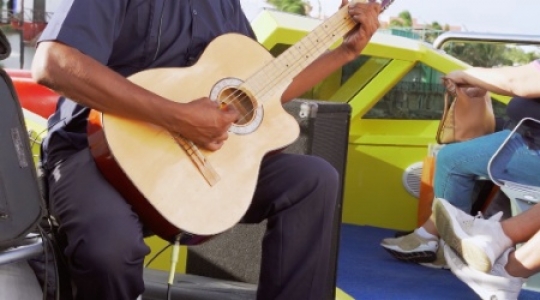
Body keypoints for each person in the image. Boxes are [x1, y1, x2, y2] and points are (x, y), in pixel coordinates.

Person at [31, 0, 381, 299]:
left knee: (313, 179)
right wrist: (177, 117)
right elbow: (53, 62)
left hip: (188, 160)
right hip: (93, 151)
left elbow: (258, 94)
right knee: (110, 249)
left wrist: (345, 52)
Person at [380, 59, 540, 270]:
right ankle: (434, 233)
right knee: (460, 152)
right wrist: (481, 84)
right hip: (524, 133)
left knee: (451, 160)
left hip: (531, 144)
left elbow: (515, 81)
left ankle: (447, 248)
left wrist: (467, 75)